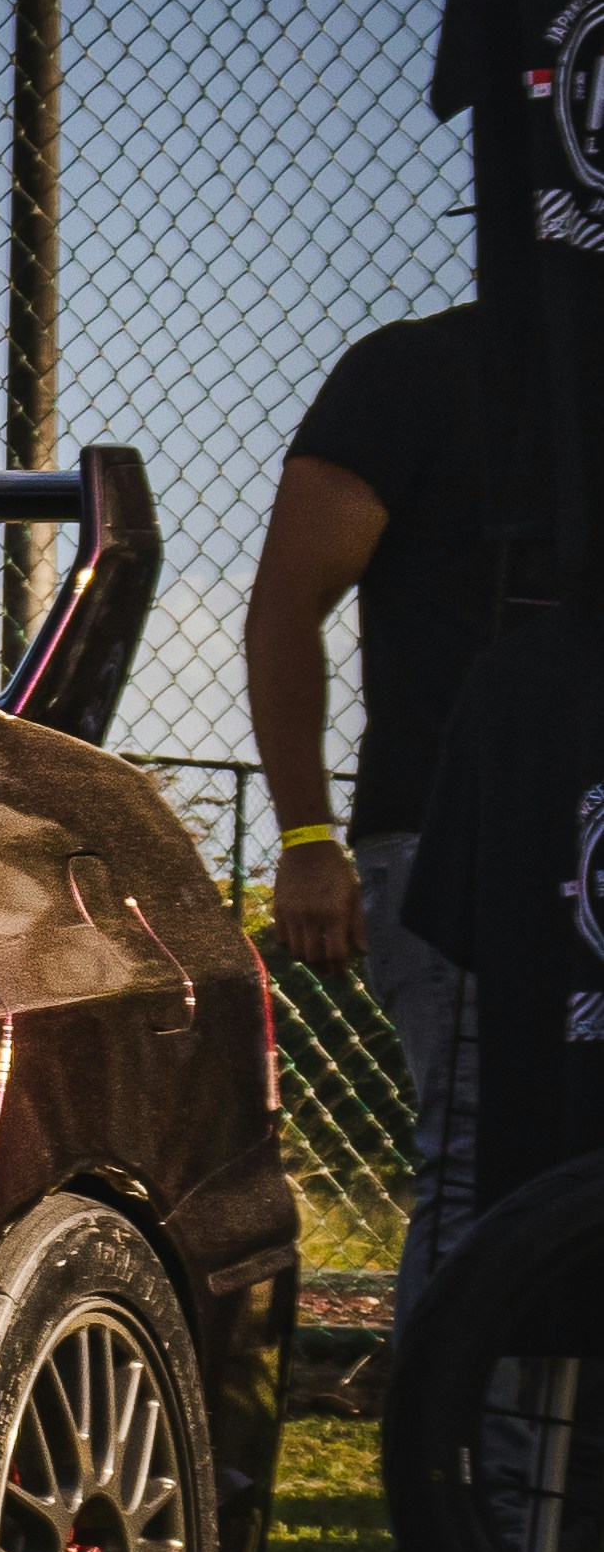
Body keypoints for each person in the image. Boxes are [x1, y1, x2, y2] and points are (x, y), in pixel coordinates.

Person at [245, 300, 494, 1332]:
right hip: (448, 839)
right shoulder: (416, 370)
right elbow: (282, 606)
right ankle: (457, 1472)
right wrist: (305, 840)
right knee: (483, 1151)